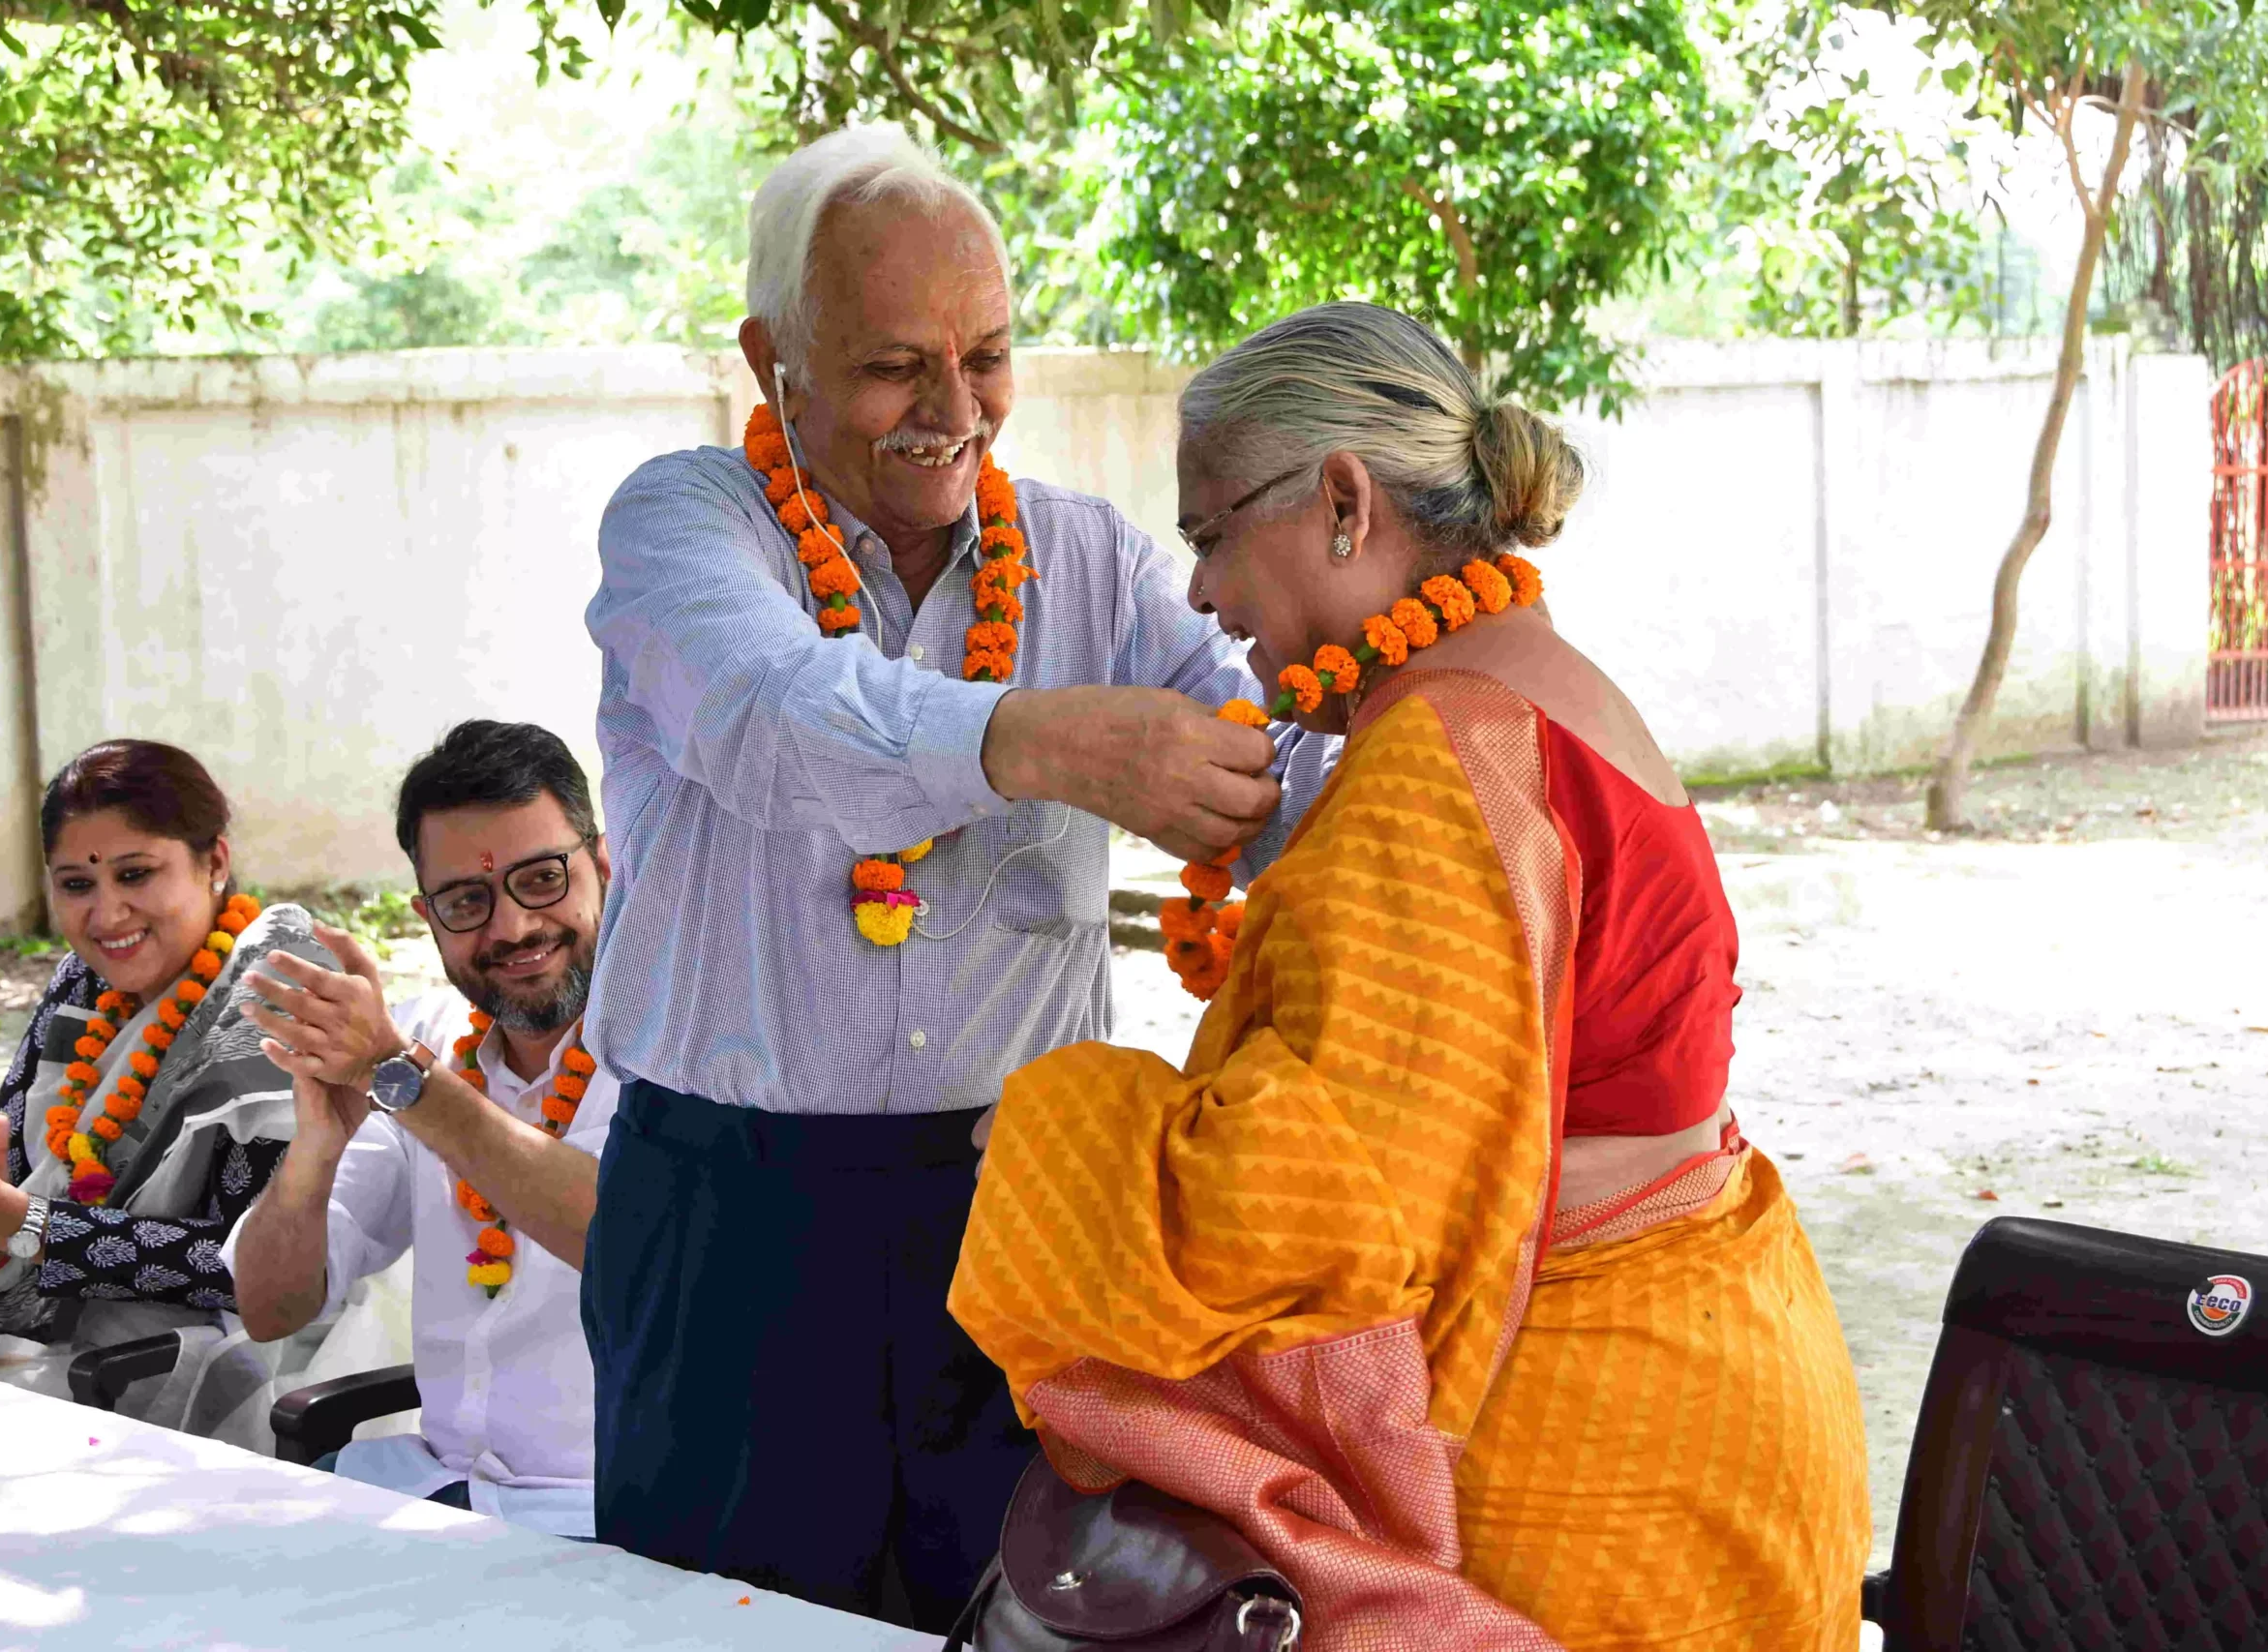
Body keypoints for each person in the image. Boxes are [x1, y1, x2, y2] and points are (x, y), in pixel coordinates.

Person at [950, 304, 1870, 1651]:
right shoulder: (1544, 689)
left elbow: (1320, 1195)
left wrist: (1051, 1130)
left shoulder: (1443, 754)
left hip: (1588, 1459)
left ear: (1341, 502)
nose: (1200, 591)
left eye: (1208, 533)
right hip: (1712, 1382)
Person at [579, 123, 1336, 1628]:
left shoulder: (1095, 560)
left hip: (1026, 1208)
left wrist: (1423, 724)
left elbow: (1277, 776)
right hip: (734, 1224)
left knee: (1020, 1612)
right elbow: (770, 720)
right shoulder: (685, 523)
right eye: (892, 365)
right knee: (720, 1622)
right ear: (770, 355)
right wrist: (1042, 740)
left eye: (985, 356)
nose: (953, 409)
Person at [0, 739, 348, 1444]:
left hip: (192, 1355)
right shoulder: (84, 981)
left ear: (214, 861)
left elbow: (236, 1267)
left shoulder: (275, 996)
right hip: (36, 1312)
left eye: (136, 873)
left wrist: (25, 1226)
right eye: (76, 885)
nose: (107, 915)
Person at [225, 720, 613, 1540]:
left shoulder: (678, 1052)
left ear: (602, 866)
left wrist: (404, 1079)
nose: (511, 928)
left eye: (541, 879)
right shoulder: (427, 1039)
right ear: (427, 915)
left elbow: (616, 1237)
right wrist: (313, 1155)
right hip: (426, 1494)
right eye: (468, 900)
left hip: (608, 1522)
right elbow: (270, 1307)